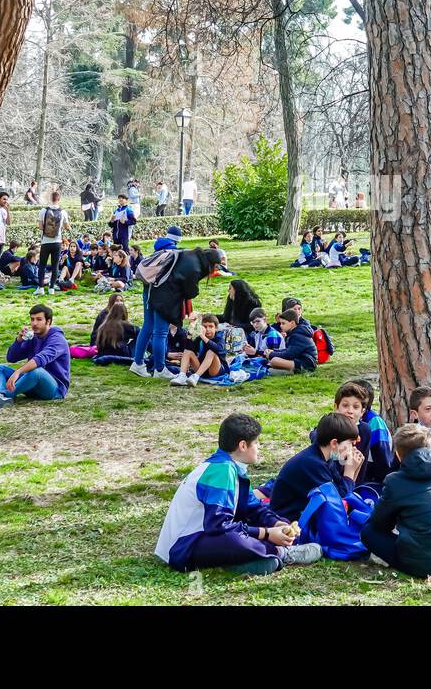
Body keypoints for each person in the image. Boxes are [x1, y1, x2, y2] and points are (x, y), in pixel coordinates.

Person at [154, 413, 321, 574]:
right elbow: (219, 526)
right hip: (183, 548)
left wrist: (276, 523)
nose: (259, 447)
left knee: (248, 526)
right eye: (256, 442)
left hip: (204, 538)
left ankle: (244, 561)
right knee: (233, 538)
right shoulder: (222, 471)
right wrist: (267, 533)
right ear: (242, 446)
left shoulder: (232, 467)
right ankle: (282, 553)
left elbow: (253, 507)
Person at [361, 424, 431, 577]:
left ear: (398, 455)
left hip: (419, 564)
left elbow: (379, 522)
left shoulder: (395, 481)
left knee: (368, 532)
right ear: (430, 447)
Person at [130, 245, 224, 380]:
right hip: (163, 297)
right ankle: (159, 369)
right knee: (161, 333)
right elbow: (190, 292)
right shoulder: (195, 268)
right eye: (216, 266)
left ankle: (138, 363)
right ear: (211, 263)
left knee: (148, 326)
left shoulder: (189, 253)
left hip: (150, 288)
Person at [268, 412, 363, 521]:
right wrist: (350, 472)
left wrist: (355, 468)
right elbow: (337, 501)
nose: (352, 448)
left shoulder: (325, 457)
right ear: (334, 443)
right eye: (350, 443)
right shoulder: (312, 464)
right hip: (286, 519)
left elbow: (342, 491)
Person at [0, 304, 71, 408]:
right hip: (31, 384)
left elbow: (40, 360)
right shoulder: (33, 337)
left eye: (39, 319)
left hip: (53, 389)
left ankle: (4, 395)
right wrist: (18, 341)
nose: (34, 323)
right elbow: (11, 358)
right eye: (32, 319)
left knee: (37, 372)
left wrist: (18, 372)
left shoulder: (57, 339)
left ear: (48, 321)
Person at [171, 313, 229, 387]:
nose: (208, 329)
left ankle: (196, 377)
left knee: (211, 352)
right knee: (188, 351)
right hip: (201, 370)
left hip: (215, 371)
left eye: (211, 326)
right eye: (205, 327)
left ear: (216, 328)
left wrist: (203, 336)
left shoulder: (219, 339)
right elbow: (188, 348)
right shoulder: (199, 339)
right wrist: (190, 332)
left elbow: (218, 349)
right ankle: (182, 376)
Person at [265, 309, 318, 375]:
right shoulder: (293, 333)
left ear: (292, 323)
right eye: (280, 323)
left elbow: (289, 354)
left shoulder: (298, 336)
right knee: (273, 361)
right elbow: (289, 350)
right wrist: (274, 351)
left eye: (283, 323)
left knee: (274, 361)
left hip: (306, 364)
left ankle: (293, 371)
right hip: (298, 360)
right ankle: (282, 369)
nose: (280, 326)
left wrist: (271, 354)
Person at [36, 190, 69, 294]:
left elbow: (40, 227)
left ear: (50, 198)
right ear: (59, 199)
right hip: (57, 242)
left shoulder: (43, 211)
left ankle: (41, 288)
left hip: (45, 241)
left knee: (42, 265)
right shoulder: (63, 212)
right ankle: (51, 288)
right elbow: (67, 227)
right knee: (55, 266)